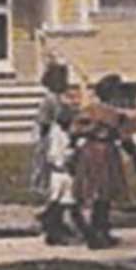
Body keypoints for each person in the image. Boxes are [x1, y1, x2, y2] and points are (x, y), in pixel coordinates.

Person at [73, 74, 136, 248]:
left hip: (88, 152)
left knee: (95, 192)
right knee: (104, 194)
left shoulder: (89, 110)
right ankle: (99, 232)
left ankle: (100, 230)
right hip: (106, 153)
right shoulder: (116, 115)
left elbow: (74, 131)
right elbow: (126, 139)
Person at [26, 60, 70, 210]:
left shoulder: (58, 99)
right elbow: (45, 122)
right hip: (51, 137)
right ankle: (49, 202)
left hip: (57, 135)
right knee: (51, 166)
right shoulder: (50, 100)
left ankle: (55, 201)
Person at [37, 102, 82, 244]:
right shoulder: (60, 135)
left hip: (59, 172)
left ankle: (53, 228)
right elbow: (62, 154)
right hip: (62, 172)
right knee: (66, 203)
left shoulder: (59, 132)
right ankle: (55, 228)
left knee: (62, 202)